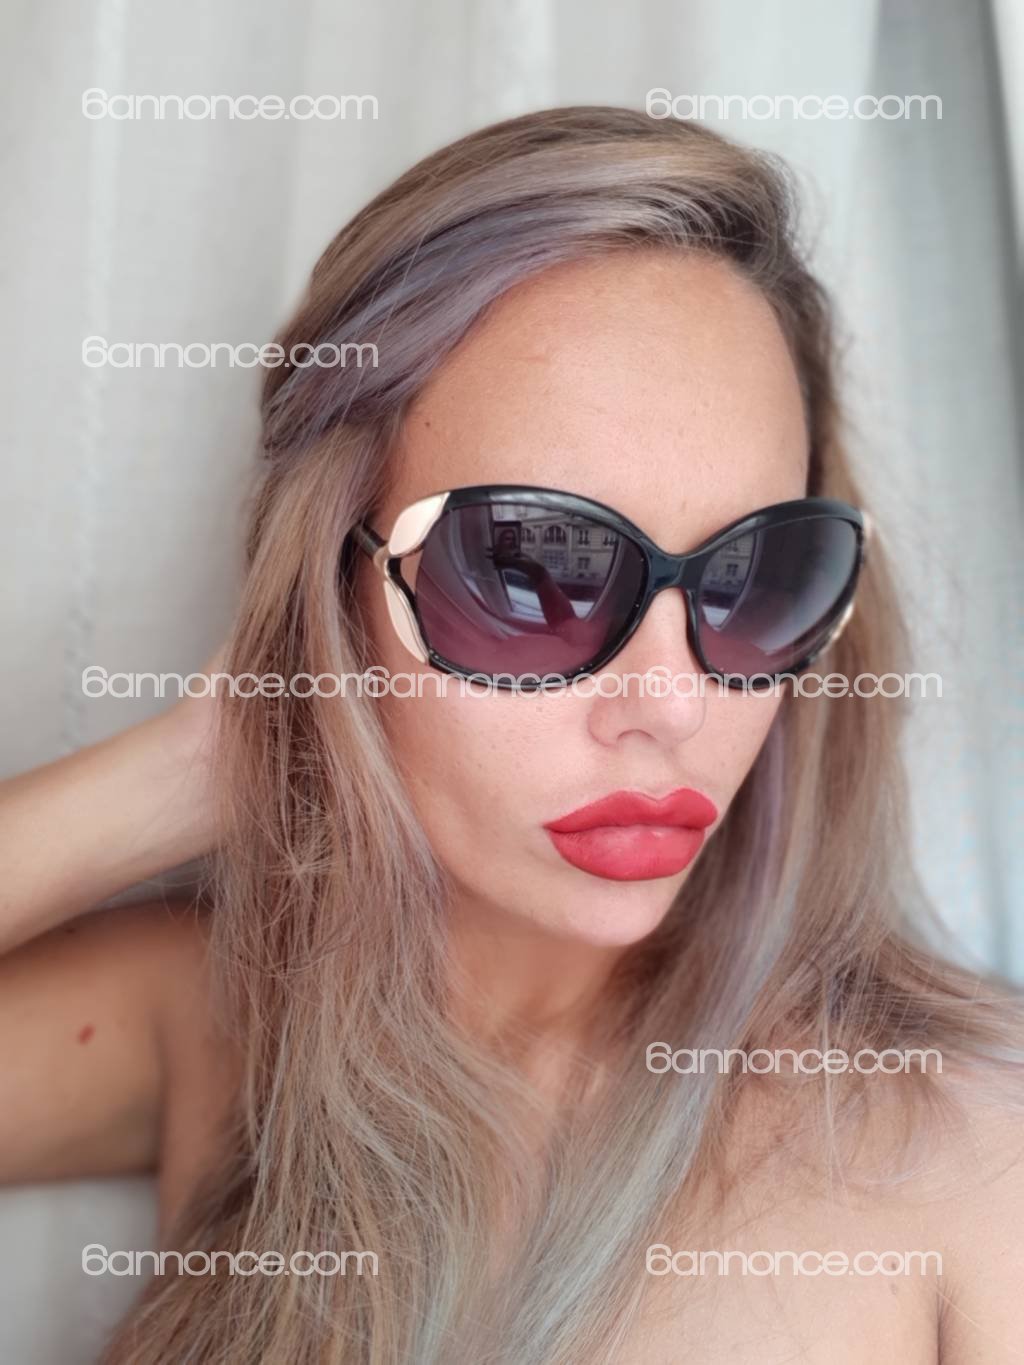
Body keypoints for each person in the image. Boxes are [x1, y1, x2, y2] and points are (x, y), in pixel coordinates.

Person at [2, 106, 1022, 1364]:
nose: (673, 705)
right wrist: (181, 773)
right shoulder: (231, 1021)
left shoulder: (976, 1159)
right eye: (530, 572)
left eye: (754, 575)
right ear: (336, 590)